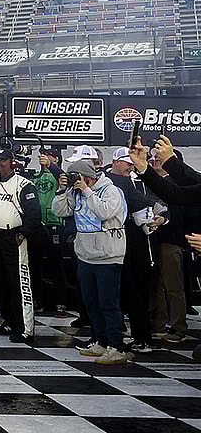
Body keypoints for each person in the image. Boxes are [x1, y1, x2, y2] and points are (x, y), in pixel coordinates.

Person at [52, 160, 129, 365]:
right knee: (92, 303)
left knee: (108, 304)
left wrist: (87, 191)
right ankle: (101, 342)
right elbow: (59, 212)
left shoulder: (110, 190)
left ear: (88, 176)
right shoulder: (76, 192)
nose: (74, 181)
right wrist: (62, 190)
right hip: (85, 255)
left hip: (108, 256)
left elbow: (105, 212)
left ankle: (116, 347)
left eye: (76, 177)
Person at [0, 149, 42, 343]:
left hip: (13, 237)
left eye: (3, 160)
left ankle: (25, 328)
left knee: (19, 283)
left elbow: (34, 215)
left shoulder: (24, 184)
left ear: (12, 162)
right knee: (0, 283)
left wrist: (22, 233)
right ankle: (8, 320)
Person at [108, 146, 160, 353]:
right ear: (116, 162)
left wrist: (161, 214)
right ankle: (117, 337)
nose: (130, 167)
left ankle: (136, 338)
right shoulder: (117, 181)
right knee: (123, 294)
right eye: (127, 163)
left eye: (132, 164)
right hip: (112, 248)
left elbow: (148, 207)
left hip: (127, 248)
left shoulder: (130, 182)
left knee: (130, 293)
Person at [147, 151, 190, 344]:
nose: (154, 160)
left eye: (159, 158)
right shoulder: (150, 182)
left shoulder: (178, 184)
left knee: (173, 285)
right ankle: (158, 322)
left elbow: (180, 215)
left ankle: (178, 327)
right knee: (156, 284)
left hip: (172, 240)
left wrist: (164, 220)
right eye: (152, 158)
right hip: (152, 239)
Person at [32, 147, 70, 317]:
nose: (44, 159)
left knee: (57, 265)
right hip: (38, 225)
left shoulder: (60, 176)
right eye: (43, 156)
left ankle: (61, 302)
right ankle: (35, 300)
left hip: (55, 224)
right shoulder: (35, 176)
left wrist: (51, 165)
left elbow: (64, 178)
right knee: (34, 265)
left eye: (50, 157)